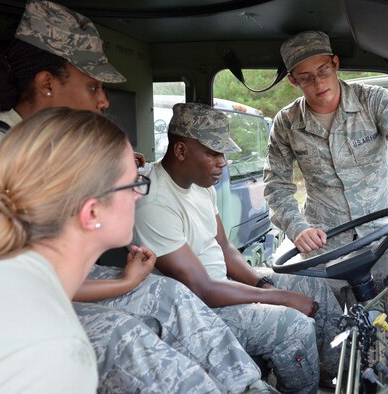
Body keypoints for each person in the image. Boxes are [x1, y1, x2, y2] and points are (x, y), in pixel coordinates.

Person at [0, 2, 268, 392]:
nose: (104, 101)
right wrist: (122, 284)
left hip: (32, 276)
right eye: (93, 86)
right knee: (120, 337)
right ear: (46, 84)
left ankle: (247, 386)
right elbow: (16, 278)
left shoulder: (51, 146)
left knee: (168, 294)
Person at [133, 102, 344, 393]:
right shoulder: (153, 200)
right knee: (294, 327)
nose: (223, 162)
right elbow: (203, 288)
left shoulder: (202, 184)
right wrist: (279, 298)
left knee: (316, 287)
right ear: (181, 151)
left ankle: (336, 378)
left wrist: (263, 284)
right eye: (213, 153)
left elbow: (224, 247)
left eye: (224, 153)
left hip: (219, 285)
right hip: (192, 311)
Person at [0, 108, 126, 391]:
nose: (138, 194)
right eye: (134, 184)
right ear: (91, 211)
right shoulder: (54, 349)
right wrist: (124, 282)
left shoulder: (1, 278)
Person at [263, 30, 388, 303]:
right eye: (306, 78)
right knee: (327, 326)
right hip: (322, 249)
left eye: (324, 70)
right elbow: (275, 186)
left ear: (336, 63)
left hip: (377, 243)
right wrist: (297, 228)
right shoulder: (286, 123)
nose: (319, 83)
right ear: (293, 80)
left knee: (379, 322)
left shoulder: (374, 101)